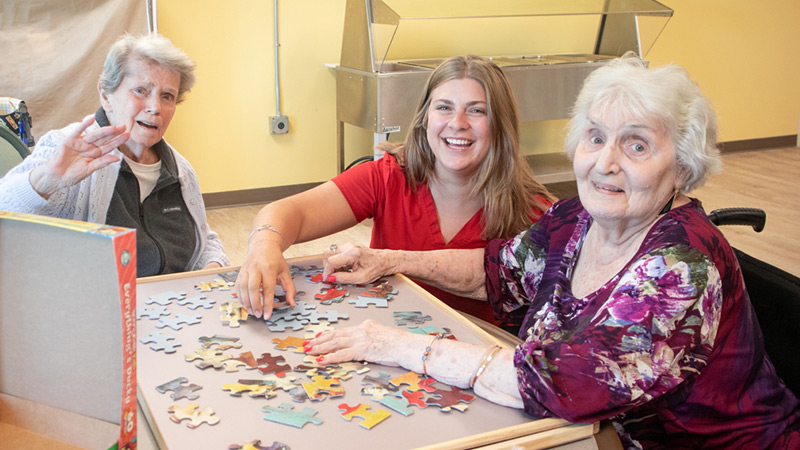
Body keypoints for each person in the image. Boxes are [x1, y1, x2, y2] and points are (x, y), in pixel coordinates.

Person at [307, 54, 800, 448]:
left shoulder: (679, 266)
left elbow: (565, 383)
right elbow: (497, 272)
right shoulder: (574, 218)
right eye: (596, 137)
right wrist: (389, 259)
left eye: (637, 146)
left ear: (684, 168)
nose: (605, 163)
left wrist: (401, 346)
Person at [235, 55, 554, 325]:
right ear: (425, 119)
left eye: (477, 110)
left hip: (475, 360)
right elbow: (292, 212)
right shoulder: (389, 176)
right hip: (384, 346)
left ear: (501, 125)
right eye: (444, 107)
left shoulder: (537, 214)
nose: (458, 122)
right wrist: (264, 246)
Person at [0, 34, 228, 276]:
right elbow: (6, 215)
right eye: (141, 91)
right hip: (95, 298)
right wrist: (45, 180)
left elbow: (203, 240)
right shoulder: (65, 149)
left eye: (167, 96)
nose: (155, 107)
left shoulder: (181, 170)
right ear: (106, 95)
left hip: (175, 298)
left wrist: (212, 269)